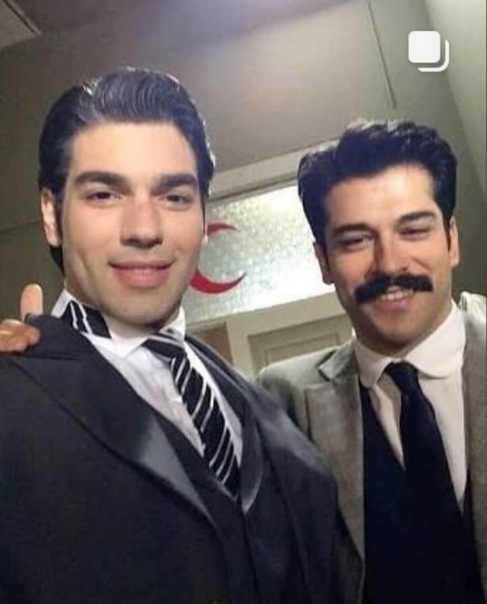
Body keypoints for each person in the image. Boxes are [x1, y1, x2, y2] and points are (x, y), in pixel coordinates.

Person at [0, 67, 337, 604]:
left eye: (175, 196)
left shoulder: (260, 402)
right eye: (104, 194)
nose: (144, 228)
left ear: (203, 215)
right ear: (52, 215)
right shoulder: (13, 395)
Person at [258, 119, 486, 604]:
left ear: (451, 241)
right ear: (324, 261)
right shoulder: (281, 403)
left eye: (413, 230)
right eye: (355, 240)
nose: (389, 263)